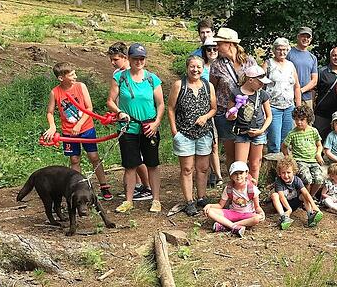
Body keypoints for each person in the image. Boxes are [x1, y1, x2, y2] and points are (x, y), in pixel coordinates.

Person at [107, 43, 165, 213]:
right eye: (135, 58)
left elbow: (160, 103)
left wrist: (156, 122)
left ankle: (156, 199)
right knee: (130, 165)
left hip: (149, 126)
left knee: (152, 164)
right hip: (128, 126)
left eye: (142, 58)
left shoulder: (152, 78)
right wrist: (119, 112)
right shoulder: (120, 78)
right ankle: (128, 200)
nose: (139, 61)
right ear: (129, 59)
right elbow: (110, 100)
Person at [43, 62, 113, 201]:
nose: (75, 76)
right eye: (72, 74)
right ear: (61, 78)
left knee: (94, 157)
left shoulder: (81, 86)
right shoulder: (55, 92)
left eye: (75, 73)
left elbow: (89, 108)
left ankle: (104, 185)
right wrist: (52, 126)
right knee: (74, 159)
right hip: (68, 132)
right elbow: (50, 112)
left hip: (86, 128)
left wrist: (79, 125)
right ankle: (78, 187)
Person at [167, 55, 217, 216]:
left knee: (203, 168)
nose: (195, 70)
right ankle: (189, 201)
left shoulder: (208, 86)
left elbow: (214, 108)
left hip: (204, 133)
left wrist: (205, 117)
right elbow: (170, 108)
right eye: (192, 67)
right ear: (187, 67)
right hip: (184, 132)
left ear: (203, 69)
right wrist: (175, 131)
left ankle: (201, 198)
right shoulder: (179, 85)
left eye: (199, 67)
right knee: (187, 169)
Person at [209, 27, 257, 176]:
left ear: (230, 44)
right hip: (225, 113)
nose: (216, 46)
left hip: (247, 114)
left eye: (219, 43)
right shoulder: (217, 65)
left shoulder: (249, 62)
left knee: (246, 153)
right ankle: (233, 186)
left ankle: (247, 187)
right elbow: (213, 88)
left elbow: (258, 84)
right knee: (230, 154)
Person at [227, 65, 272, 182]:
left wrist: (261, 130)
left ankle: (253, 192)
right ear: (250, 80)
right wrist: (232, 116)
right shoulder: (236, 93)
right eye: (260, 82)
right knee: (240, 166)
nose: (262, 85)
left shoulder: (262, 94)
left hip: (258, 133)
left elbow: (269, 116)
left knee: (255, 164)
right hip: (242, 133)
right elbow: (229, 115)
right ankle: (239, 191)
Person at [204, 161, 264, 237]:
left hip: (247, 215)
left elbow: (257, 207)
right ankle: (234, 227)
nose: (238, 176)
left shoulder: (252, 189)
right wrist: (209, 205)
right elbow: (220, 205)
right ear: (231, 176)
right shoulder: (229, 189)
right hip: (233, 212)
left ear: (246, 173)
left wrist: (261, 212)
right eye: (235, 173)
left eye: (241, 173)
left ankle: (228, 225)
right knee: (209, 211)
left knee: (256, 218)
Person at [265, 37, 302, 154]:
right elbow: (260, 87)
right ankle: (273, 168)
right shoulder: (268, 64)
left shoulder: (291, 65)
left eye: (285, 50)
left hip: (289, 107)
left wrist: (298, 106)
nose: (282, 52)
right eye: (279, 49)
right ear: (274, 50)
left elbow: (296, 86)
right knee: (274, 140)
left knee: (286, 140)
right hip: (273, 107)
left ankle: (285, 167)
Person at [281, 104, 325, 197]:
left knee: (319, 179)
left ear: (308, 120)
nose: (299, 122)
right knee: (307, 178)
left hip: (313, 160)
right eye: (296, 119)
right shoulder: (292, 133)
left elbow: (319, 145)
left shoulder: (313, 131)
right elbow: (284, 146)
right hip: (300, 161)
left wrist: (318, 154)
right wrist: (288, 157)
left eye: (302, 120)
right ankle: (306, 199)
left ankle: (310, 197)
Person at [270, 156, 323, 230]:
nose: (286, 175)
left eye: (288, 172)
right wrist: (288, 210)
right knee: (274, 195)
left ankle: (310, 215)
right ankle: (283, 217)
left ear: (293, 172)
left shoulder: (297, 180)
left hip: (293, 204)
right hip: (282, 205)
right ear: (279, 173)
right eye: (283, 173)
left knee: (303, 195)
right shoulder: (279, 181)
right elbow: (281, 197)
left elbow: (306, 193)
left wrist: (314, 206)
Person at [315, 46, 337, 138]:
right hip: (322, 113)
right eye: (334, 55)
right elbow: (313, 90)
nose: (336, 58)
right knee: (319, 139)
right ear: (330, 57)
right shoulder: (321, 71)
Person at [287, 27, 318, 110]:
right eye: (303, 36)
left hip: (307, 98)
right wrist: (296, 93)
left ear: (311, 39)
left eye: (308, 37)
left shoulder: (313, 58)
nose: (306, 39)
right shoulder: (289, 54)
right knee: (292, 122)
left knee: (307, 122)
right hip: (290, 97)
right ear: (298, 37)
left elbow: (314, 81)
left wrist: (301, 91)